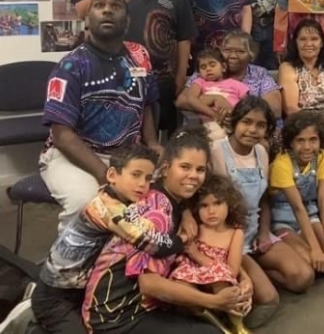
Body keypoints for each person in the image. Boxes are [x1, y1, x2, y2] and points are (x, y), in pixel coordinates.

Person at [83, 129, 253, 334]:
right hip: (118, 314)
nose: (193, 176)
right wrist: (214, 301)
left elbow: (206, 251)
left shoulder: (182, 203)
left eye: (200, 170)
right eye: (185, 167)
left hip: (146, 304)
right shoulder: (157, 213)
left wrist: (243, 278)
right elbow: (150, 284)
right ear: (165, 169)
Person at [40, 0, 161, 232]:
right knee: (87, 202)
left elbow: (147, 102)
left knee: (164, 196)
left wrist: (152, 142)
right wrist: (106, 176)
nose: (107, 9)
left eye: (115, 6)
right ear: (87, 20)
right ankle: (67, 268)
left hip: (127, 157)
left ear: (126, 22)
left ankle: (125, 264)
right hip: (74, 157)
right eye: (99, 5)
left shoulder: (140, 56)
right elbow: (63, 137)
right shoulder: (71, 66)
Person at [32, 146, 181, 334]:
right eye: (135, 175)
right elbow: (153, 245)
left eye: (148, 178)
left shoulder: (114, 196)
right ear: (112, 175)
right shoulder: (108, 209)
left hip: (77, 289)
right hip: (55, 298)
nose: (143, 184)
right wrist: (182, 240)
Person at [210, 96, 315, 298]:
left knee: (304, 277)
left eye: (260, 125)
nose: (252, 130)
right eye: (246, 122)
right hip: (230, 239)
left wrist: (264, 233)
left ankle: (261, 273)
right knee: (269, 299)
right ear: (235, 122)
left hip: (256, 233)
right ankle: (257, 280)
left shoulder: (261, 151)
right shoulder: (216, 151)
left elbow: (264, 198)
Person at [112, 0, 196, 134]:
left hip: (162, 80)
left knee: (159, 130)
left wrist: (180, 76)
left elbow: (184, 38)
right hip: (119, 76)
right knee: (122, 131)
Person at [170, 175, 252, 334]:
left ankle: (236, 324)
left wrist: (197, 255)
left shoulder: (235, 232)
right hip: (192, 272)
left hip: (219, 278)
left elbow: (232, 270)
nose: (211, 211)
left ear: (230, 203)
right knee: (182, 287)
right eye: (204, 206)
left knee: (222, 279)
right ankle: (217, 326)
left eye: (217, 203)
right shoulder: (196, 227)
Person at [269, 111, 324, 275]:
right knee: (312, 262)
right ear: (290, 143)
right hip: (283, 219)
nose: (307, 147)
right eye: (300, 141)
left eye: (313, 140)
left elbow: (323, 202)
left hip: (310, 213)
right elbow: (297, 208)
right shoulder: (282, 164)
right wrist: (316, 250)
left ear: (320, 140)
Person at [177, 31, 283, 122]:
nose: (232, 56)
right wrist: (214, 99)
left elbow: (275, 109)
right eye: (227, 50)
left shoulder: (260, 74)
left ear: (252, 55)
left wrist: (232, 111)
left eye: (240, 51)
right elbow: (181, 101)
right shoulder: (206, 72)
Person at [278, 19, 324, 122]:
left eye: (314, 39)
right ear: (296, 42)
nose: (308, 44)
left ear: (322, 42)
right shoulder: (287, 67)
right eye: (303, 39)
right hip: (303, 124)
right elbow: (290, 108)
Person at [185, 49, 249, 140]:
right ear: (199, 73)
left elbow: (248, 105)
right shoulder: (200, 82)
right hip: (211, 124)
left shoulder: (236, 84)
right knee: (218, 136)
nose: (208, 69)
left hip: (235, 121)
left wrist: (235, 116)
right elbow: (191, 99)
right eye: (203, 67)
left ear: (223, 67)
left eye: (212, 64)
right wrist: (213, 114)